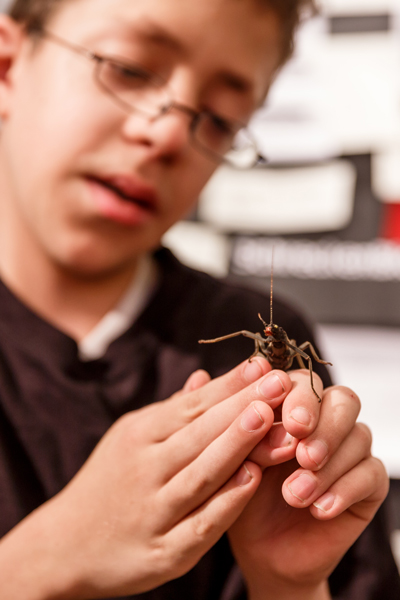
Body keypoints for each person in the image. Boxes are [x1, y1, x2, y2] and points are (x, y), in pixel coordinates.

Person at [0, 0, 397, 598]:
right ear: (8, 62)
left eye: (217, 119)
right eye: (129, 69)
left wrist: (289, 585)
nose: (165, 135)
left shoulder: (255, 322)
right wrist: (46, 558)